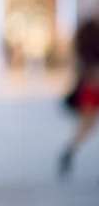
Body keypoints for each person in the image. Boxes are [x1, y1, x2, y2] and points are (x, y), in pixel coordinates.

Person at [59, 14, 99, 178]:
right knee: (87, 125)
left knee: (87, 125)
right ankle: (70, 151)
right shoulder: (88, 29)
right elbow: (81, 56)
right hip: (92, 84)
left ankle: (70, 151)